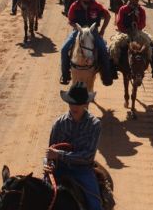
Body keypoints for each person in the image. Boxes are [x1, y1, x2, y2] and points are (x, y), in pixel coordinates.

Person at [45, 82, 103, 210]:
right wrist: (47, 163)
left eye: (78, 104)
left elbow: (87, 157)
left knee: (95, 205)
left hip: (82, 171)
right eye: (71, 103)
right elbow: (50, 152)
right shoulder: (59, 124)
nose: (74, 107)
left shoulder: (94, 125)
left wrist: (59, 155)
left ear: (86, 104)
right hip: (59, 169)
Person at [60, 0, 112, 86]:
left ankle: (106, 76)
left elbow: (107, 16)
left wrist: (102, 30)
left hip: (93, 32)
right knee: (64, 49)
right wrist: (77, 27)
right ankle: (65, 75)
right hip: (78, 31)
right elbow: (70, 20)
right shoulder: (74, 6)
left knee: (104, 50)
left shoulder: (96, 6)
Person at [115, 0, 153, 80]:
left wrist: (137, 27)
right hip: (125, 32)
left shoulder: (141, 10)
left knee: (152, 45)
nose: (135, 1)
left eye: (136, 0)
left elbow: (143, 23)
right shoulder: (123, 9)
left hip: (138, 32)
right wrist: (126, 30)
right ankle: (113, 68)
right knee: (115, 46)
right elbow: (119, 23)